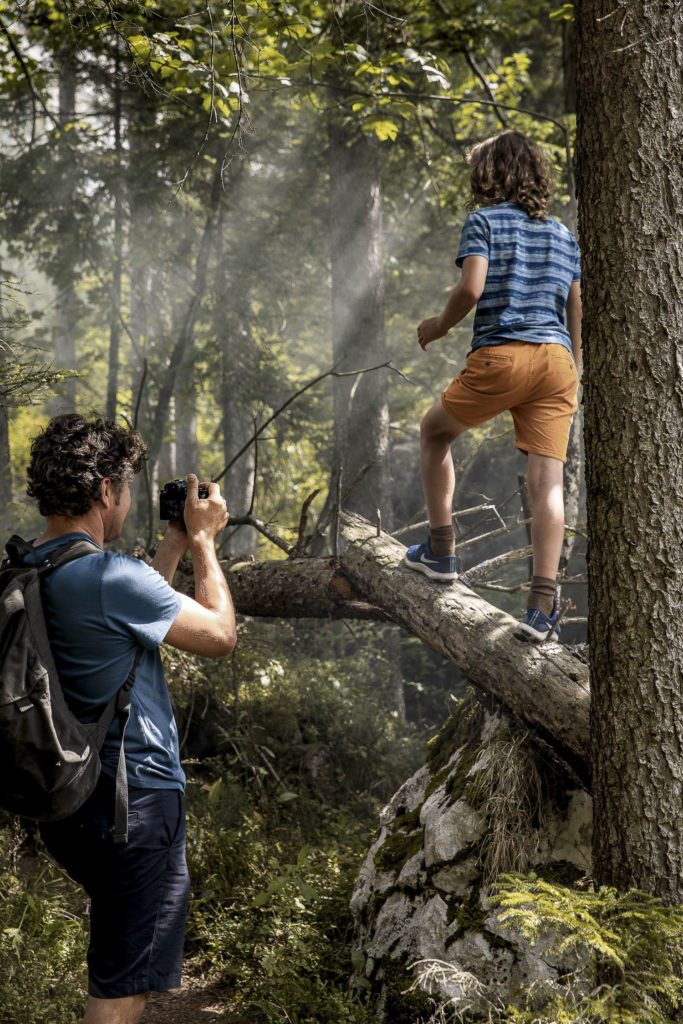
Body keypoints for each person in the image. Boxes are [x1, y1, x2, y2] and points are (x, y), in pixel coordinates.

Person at [21, 413, 236, 1024]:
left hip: (64, 798)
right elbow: (220, 635)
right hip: (132, 803)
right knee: (121, 988)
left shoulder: (35, 569)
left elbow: (126, 632)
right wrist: (204, 544)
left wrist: (170, 544)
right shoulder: (112, 578)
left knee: (117, 945)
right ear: (106, 491)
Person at [404, 130, 582, 641]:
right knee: (547, 483)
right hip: (557, 362)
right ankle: (542, 607)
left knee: (435, 433)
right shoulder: (563, 234)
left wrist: (438, 327)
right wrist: (573, 363)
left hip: (503, 355)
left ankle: (441, 550)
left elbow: (472, 287)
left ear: (490, 173)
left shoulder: (483, 221)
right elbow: (576, 308)